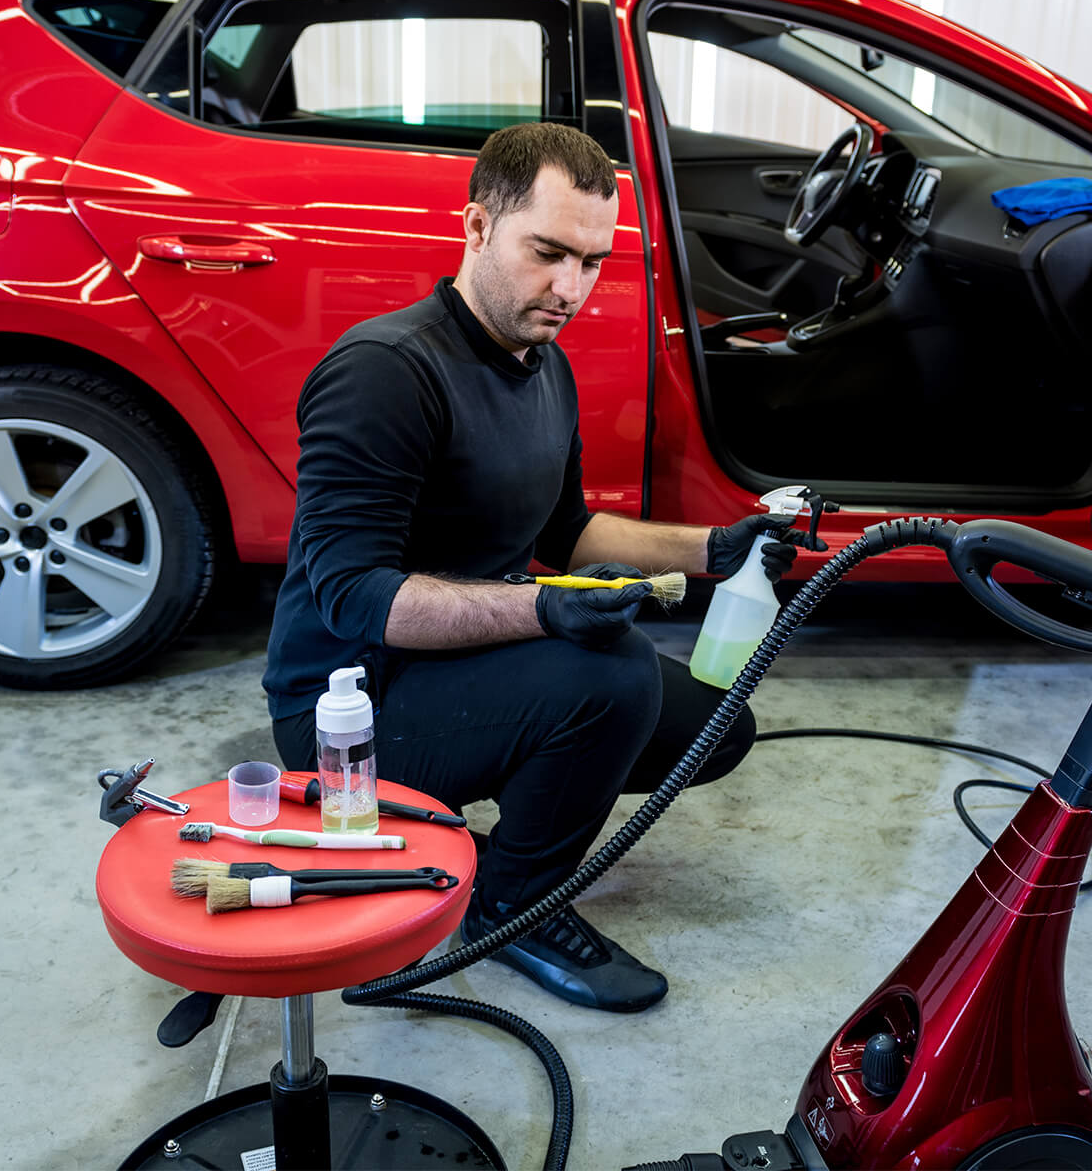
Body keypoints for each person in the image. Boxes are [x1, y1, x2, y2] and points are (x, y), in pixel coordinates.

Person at [264, 122, 822, 1013]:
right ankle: (512, 906)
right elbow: (353, 596)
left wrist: (714, 549)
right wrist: (545, 614)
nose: (570, 289)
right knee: (613, 679)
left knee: (716, 729)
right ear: (477, 227)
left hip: (461, 665)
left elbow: (565, 532)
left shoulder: (541, 365)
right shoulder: (385, 372)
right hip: (349, 710)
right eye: (548, 253)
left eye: (592, 262)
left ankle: (487, 818)